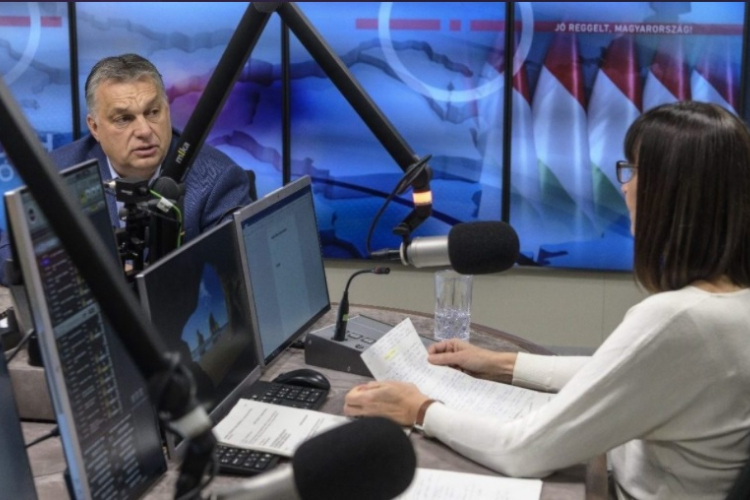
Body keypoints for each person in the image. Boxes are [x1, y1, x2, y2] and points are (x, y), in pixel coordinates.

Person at [344, 101, 750, 500]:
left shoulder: (680, 320)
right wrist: (501, 364)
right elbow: (620, 371)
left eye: (634, 170)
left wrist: (418, 408)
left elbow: (523, 450)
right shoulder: (731, 304)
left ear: (674, 191)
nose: (625, 185)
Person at [0, 53, 251, 284]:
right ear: (95, 127)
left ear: (167, 111)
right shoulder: (58, 173)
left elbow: (246, 266)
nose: (144, 131)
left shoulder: (217, 179)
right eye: (124, 119)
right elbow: (9, 255)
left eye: (152, 112)